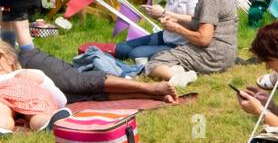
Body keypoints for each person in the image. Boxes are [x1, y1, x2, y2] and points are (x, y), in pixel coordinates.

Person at [145, 0, 238, 88]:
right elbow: (198, 23)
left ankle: (178, 77)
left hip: (214, 56)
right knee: (162, 57)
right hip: (224, 54)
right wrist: (175, 19)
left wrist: (177, 28)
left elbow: (203, 39)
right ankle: (179, 71)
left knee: (154, 63)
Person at [10, 40, 178, 105]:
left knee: (77, 82)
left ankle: (152, 88)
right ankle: (153, 96)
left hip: (24, 63)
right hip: (19, 85)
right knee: (82, 97)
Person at [0, 44, 71, 134]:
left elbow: (62, 99)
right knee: (2, 110)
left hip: (33, 98)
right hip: (3, 97)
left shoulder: (29, 73)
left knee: (38, 113)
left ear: (10, 58)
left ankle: (48, 123)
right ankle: (2, 127)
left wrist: (42, 80)